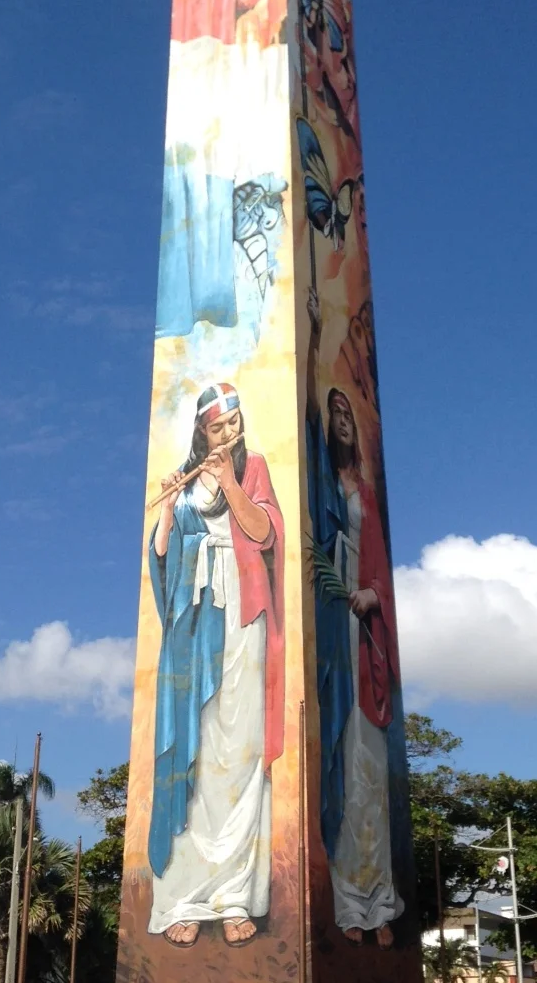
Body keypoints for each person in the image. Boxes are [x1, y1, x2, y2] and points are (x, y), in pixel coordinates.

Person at [147, 383, 284, 947]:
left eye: (233, 426)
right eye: (216, 429)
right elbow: (162, 560)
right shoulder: (184, 483)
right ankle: (184, 895)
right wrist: (165, 512)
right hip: (194, 623)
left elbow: (266, 532)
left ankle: (234, 896)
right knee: (195, 750)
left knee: (241, 749)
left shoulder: (252, 469)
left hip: (243, 616)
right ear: (201, 431)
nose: (226, 436)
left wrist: (228, 480)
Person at [305, 287, 403, 946]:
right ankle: (347, 903)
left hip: (362, 631)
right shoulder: (318, 479)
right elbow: (305, 413)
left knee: (370, 767)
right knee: (336, 765)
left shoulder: (366, 494)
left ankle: (377, 900)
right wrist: (313, 337)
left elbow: (381, 571)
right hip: (330, 631)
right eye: (334, 412)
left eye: (348, 414)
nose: (341, 419)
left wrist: (370, 596)